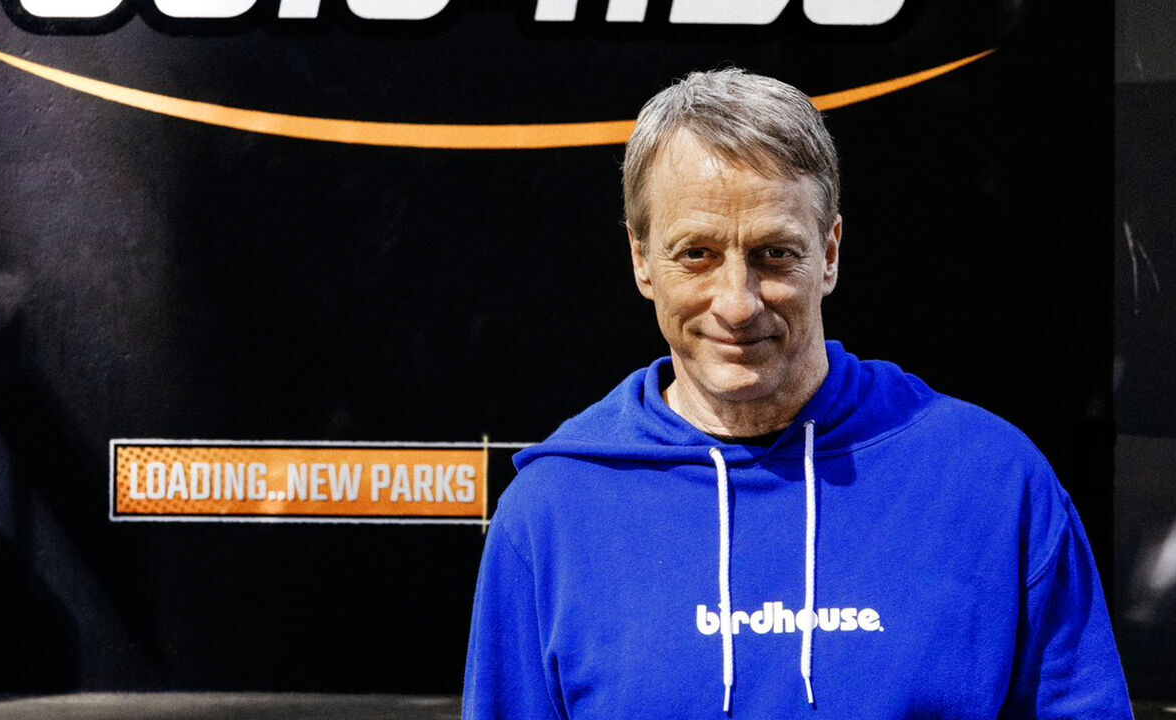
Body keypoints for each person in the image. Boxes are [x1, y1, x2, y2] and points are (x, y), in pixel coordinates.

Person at [462, 68, 1132, 719]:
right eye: (696, 254)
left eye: (774, 254)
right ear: (642, 259)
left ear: (829, 253)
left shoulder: (993, 482)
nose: (737, 303)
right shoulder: (552, 511)